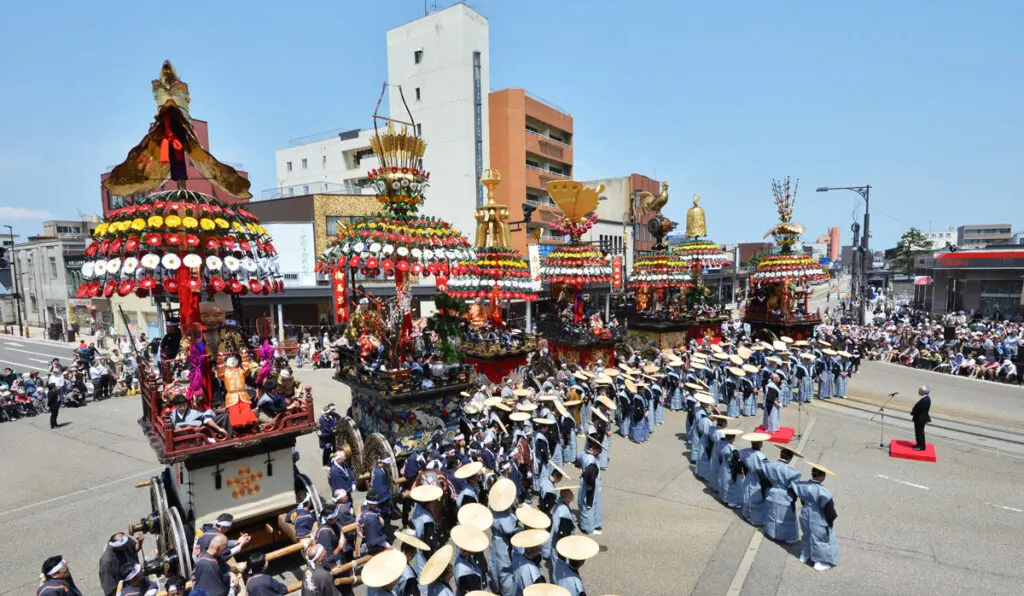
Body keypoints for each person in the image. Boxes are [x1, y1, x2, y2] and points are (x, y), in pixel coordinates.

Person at [789, 462, 839, 571]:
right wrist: (830, 523)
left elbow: (802, 500)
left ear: (812, 474)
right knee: (820, 539)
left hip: (805, 514)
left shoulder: (802, 486)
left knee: (807, 534)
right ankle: (819, 562)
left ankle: (804, 555)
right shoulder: (824, 492)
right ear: (822, 477)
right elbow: (830, 511)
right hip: (818, 518)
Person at [761, 447, 802, 544]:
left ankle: (771, 533)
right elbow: (794, 488)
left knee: (772, 514)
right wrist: (794, 499)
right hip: (785, 496)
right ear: (790, 458)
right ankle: (788, 538)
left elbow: (764, 476)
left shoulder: (769, 465)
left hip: (771, 492)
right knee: (786, 518)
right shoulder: (793, 472)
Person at [98, 531, 143, 596]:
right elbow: (110, 591)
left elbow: (134, 549)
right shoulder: (106, 563)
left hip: (137, 583)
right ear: (115, 547)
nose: (127, 545)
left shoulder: (124, 542)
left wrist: (140, 543)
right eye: (123, 546)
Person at [575, 437, 603, 535]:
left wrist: (580, 468)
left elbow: (577, 457)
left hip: (590, 482)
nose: (600, 451)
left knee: (594, 504)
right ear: (592, 450)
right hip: (590, 485)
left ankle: (595, 524)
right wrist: (591, 488)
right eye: (598, 450)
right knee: (589, 505)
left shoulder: (584, 454)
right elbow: (590, 477)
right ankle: (588, 528)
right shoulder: (591, 460)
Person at [510, 529, 547, 595]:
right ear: (535, 550)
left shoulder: (516, 556)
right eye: (539, 546)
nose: (541, 548)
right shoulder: (533, 570)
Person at [911, 386, 932, 451]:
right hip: (919, 418)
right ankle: (918, 444)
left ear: (923, 392)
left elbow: (920, 409)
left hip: (920, 418)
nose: (919, 391)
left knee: (920, 433)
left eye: (920, 390)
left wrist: (913, 412)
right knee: (918, 432)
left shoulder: (925, 399)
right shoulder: (925, 398)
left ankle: (921, 446)